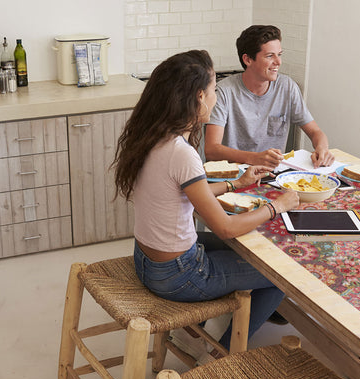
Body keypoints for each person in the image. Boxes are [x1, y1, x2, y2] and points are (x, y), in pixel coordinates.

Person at [113, 50, 299, 353]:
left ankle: (197, 332)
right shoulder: (181, 152)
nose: (215, 96)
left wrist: (236, 184)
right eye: (214, 90)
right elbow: (225, 227)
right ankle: (219, 355)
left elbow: (185, 192)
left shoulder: (151, 137)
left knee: (250, 247)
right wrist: (278, 206)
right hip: (178, 276)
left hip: (146, 261)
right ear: (199, 97)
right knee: (283, 273)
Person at [205, 25, 333, 169]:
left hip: (273, 175)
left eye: (279, 54)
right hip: (235, 176)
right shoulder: (224, 92)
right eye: (270, 56)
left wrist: (322, 148)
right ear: (247, 60)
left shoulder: (287, 87)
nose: (278, 62)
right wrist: (255, 158)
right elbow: (211, 150)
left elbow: (315, 132)